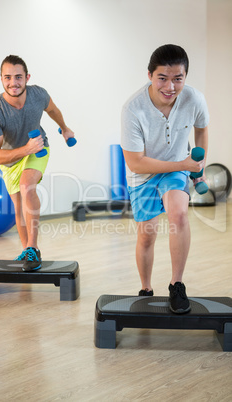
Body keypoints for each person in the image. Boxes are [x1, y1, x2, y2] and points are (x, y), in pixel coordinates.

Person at [121, 44, 209, 314]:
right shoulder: (133, 109)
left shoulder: (194, 99)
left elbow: (202, 130)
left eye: (178, 79)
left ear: (185, 77)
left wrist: (199, 165)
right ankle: (146, 288)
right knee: (147, 236)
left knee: (179, 214)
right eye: (163, 78)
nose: (170, 86)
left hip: (176, 171)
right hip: (143, 175)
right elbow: (135, 162)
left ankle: (177, 284)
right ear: (150, 75)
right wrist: (184, 162)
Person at [0, 55, 75, 271]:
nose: (13, 82)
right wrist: (25, 149)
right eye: (7, 77)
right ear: (1, 79)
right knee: (18, 205)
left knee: (27, 186)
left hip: (38, 149)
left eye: (18, 77)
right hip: (10, 157)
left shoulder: (38, 94)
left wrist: (65, 128)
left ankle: (33, 247)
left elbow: (53, 110)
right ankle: (28, 252)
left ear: (27, 77)